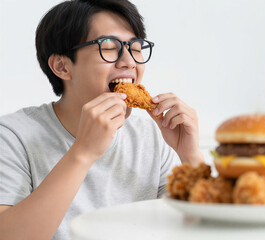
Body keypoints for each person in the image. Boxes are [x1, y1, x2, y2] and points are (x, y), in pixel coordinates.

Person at [0, 0, 204, 239]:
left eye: (135, 47)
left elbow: (192, 225)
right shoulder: (13, 136)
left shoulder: (150, 135)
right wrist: (83, 152)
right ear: (62, 66)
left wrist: (190, 157)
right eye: (108, 46)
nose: (129, 61)